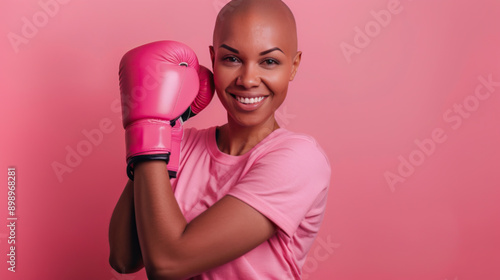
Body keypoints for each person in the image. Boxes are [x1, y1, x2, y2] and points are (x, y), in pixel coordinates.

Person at [108, 0, 331, 279]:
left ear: (294, 66)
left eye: (269, 61)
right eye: (232, 59)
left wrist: (151, 132)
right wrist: (159, 127)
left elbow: (168, 263)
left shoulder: (299, 159)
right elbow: (123, 257)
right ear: (212, 59)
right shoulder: (181, 143)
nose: (248, 79)